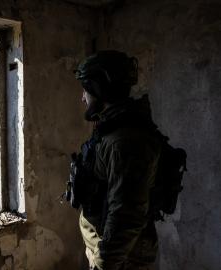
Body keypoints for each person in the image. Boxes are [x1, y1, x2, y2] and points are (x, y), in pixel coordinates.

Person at [74, 50, 161, 270]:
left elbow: (126, 217)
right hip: (109, 252)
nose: (82, 97)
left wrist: (103, 265)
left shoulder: (125, 142)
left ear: (100, 90)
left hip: (123, 260)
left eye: (86, 90)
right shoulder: (111, 131)